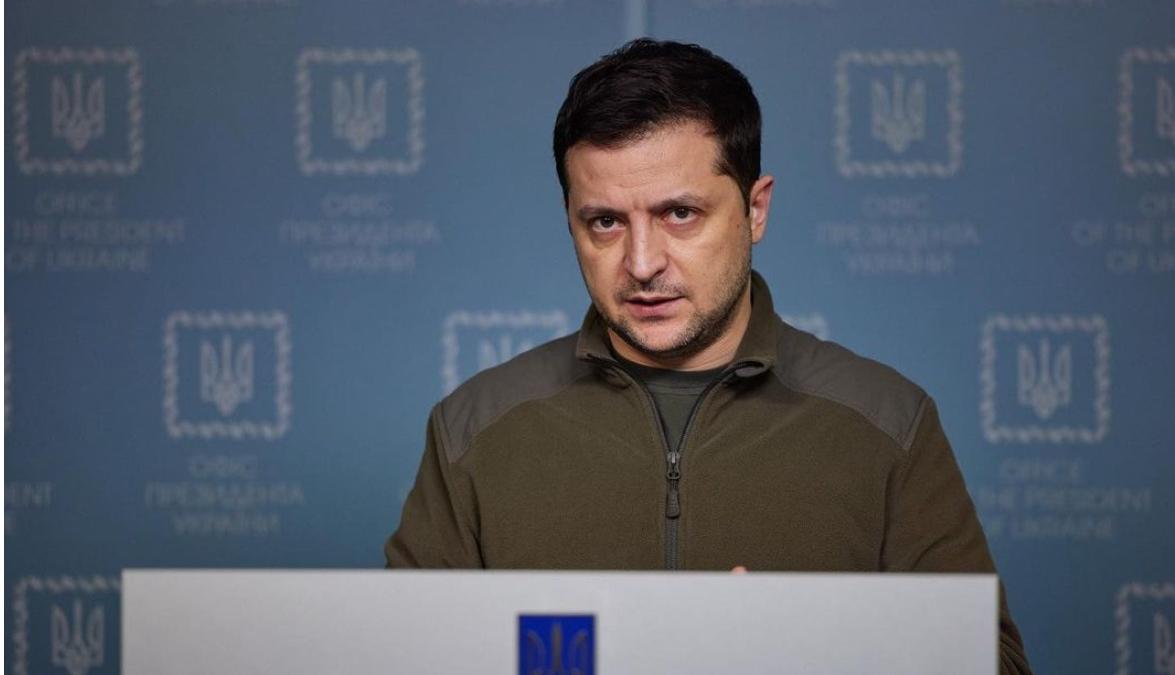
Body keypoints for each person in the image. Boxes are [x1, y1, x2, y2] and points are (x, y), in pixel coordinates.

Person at [387, 38, 1032, 673]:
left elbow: (992, 665)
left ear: (755, 209)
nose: (642, 264)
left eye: (679, 214)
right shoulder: (473, 428)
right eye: (605, 222)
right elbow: (395, 659)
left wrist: (817, 646)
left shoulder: (888, 423)